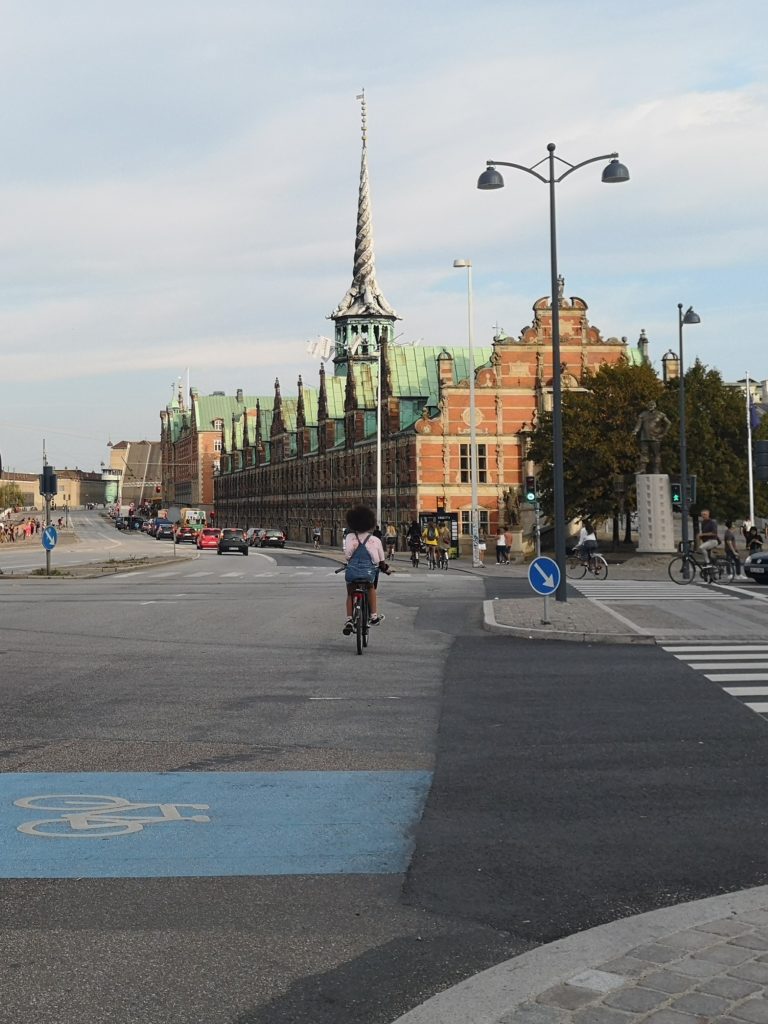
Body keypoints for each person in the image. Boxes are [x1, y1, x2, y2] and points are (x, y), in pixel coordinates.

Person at [342, 505, 392, 633]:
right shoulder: (375, 540)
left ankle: (349, 620)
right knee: (371, 588)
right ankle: (374, 616)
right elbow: (380, 560)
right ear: (369, 523)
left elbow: (347, 556)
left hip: (352, 573)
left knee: (350, 593)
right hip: (369, 573)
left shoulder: (349, 537)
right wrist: (385, 568)